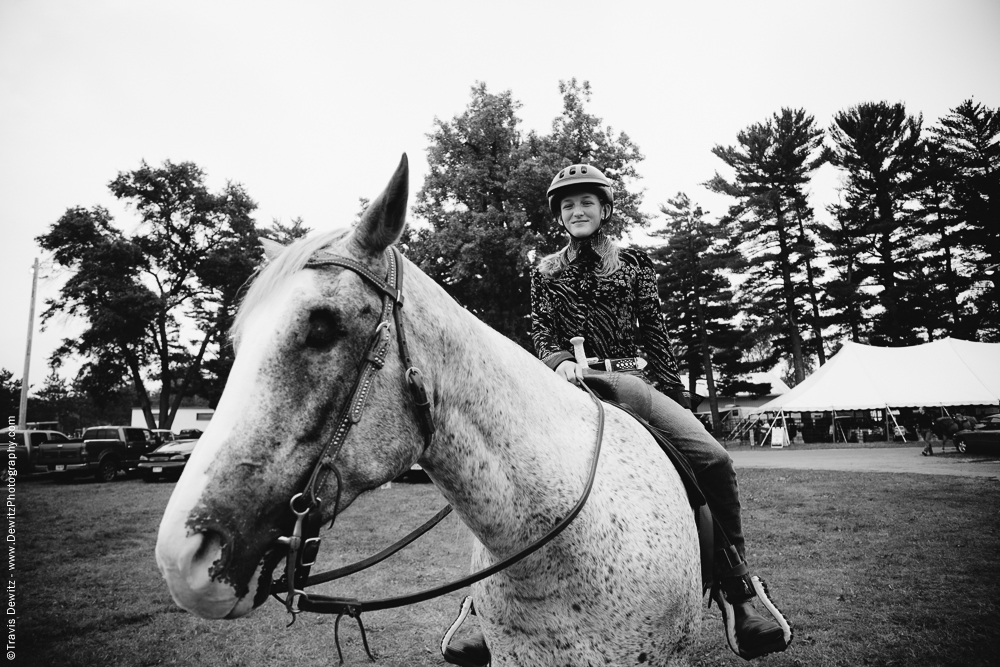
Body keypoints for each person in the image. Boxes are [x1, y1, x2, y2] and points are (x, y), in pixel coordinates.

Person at [441, 164, 791, 666]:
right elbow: (542, 333)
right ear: (558, 217)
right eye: (567, 205)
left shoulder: (633, 265)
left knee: (713, 461)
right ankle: (480, 607)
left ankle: (739, 594)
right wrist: (559, 362)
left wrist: (674, 397)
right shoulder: (543, 271)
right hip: (563, 388)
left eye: (585, 202)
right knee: (503, 478)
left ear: (604, 209)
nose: (576, 211)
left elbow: (657, 333)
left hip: (632, 385)